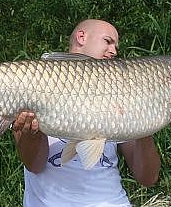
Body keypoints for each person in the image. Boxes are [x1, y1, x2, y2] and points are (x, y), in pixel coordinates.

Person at [12, 19, 161, 207]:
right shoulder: (37, 82)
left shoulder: (121, 93)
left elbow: (147, 178)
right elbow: (34, 165)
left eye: (116, 46)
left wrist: (146, 122)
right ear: (81, 37)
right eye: (108, 41)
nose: (114, 51)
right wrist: (30, 133)